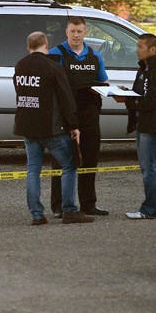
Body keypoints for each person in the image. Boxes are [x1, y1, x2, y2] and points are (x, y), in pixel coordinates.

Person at [14, 31, 95, 225]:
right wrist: (74, 125)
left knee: (33, 170)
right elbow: (66, 99)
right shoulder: (53, 67)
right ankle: (69, 210)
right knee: (69, 165)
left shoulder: (20, 65)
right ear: (46, 45)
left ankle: (36, 215)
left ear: (28, 47)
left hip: (27, 126)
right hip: (51, 128)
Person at [49, 16, 110, 218]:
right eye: (73, 31)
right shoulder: (55, 54)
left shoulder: (94, 56)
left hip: (89, 115)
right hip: (64, 116)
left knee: (90, 159)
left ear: (85, 32)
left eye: (80, 31)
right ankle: (59, 206)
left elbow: (104, 82)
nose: (76, 35)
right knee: (62, 160)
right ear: (67, 32)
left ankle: (88, 205)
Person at [113, 33, 156, 219]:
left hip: (153, 125)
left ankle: (152, 210)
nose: (137, 49)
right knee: (147, 167)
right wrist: (127, 94)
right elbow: (141, 93)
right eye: (137, 46)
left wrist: (127, 100)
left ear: (153, 49)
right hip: (143, 123)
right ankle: (152, 208)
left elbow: (152, 102)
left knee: (149, 168)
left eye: (141, 46)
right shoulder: (144, 68)